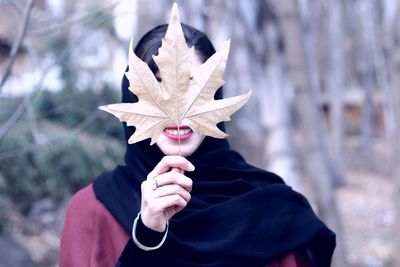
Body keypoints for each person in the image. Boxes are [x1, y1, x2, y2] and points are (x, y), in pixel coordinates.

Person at [60, 23, 335, 267]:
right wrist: (146, 235)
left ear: (214, 98)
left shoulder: (273, 208)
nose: (176, 113)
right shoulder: (93, 211)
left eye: (194, 89)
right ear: (133, 101)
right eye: (157, 89)